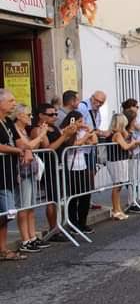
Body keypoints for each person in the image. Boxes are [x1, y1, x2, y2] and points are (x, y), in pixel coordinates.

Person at [32, 103, 78, 242]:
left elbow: (65, 143)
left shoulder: (55, 128)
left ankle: (60, 226)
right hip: (49, 167)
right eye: (51, 114)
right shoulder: (38, 130)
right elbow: (48, 148)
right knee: (52, 199)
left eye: (56, 114)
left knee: (61, 197)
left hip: (60, 165)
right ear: (41, 115)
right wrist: (64, 136)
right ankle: (53, 229)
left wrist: (71, 133)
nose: (55, 117)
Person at [12, 104, 51, 252]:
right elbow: (27, 146)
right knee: (24, 206)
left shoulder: (25, 130)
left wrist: (42, 134)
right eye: (28, 115)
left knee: (31, 207)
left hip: (31, 170)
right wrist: (40, 135)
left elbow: (35, 147)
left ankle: (32, 237)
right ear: (19, 116)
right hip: (22, 171)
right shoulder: (15, 129)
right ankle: (25, 240)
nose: (31, 117)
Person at [0, 90, 34, 260]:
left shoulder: (7, 121)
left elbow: (20, 142)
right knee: (6, 212)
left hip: (8, 173)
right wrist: (17, 150)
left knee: (6, 214)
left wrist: (26, 150)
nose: (14, 103)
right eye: (11, 101)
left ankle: (3, 249)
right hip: (1, 174)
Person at [59, 110, 98, 234]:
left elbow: (94, 141)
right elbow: (72, 144)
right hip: (71, 167)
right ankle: (73, 223)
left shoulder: (82, 132)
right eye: (79, 121)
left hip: (82, 166)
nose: (82, 123)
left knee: (85, 196)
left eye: (82, 121)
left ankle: (82, 222)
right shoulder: (66, 131)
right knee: (73, 197)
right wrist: (82, 136)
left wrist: (89, 130)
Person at [108, 113, 140, 220]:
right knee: (117, 185)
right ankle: (115, 210)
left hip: (119, 160)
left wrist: (126, 133)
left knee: (119, 185)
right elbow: (125, 146)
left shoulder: (118, 133)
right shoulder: (117, 134)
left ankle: (118, 209)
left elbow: (128, 138)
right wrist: (134, 142)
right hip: (116, 161)